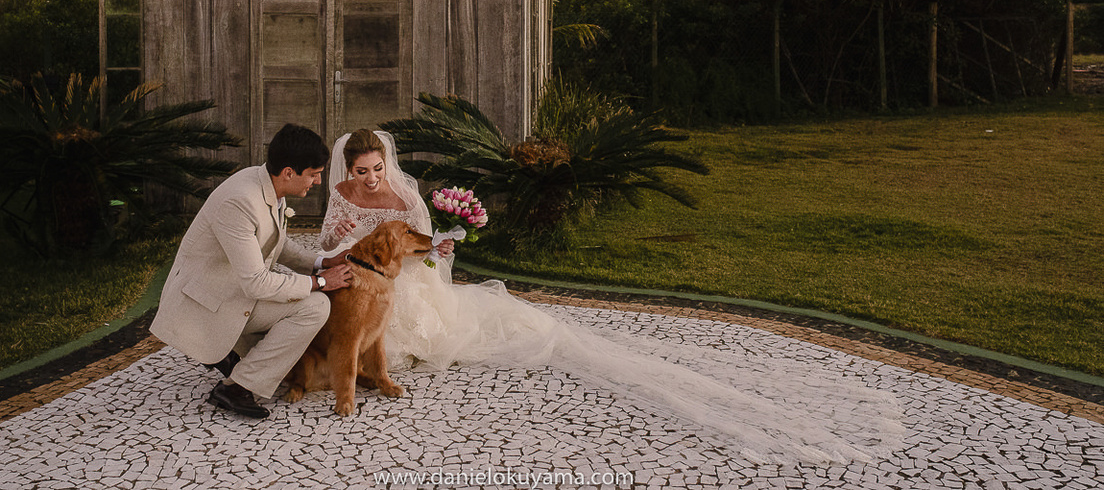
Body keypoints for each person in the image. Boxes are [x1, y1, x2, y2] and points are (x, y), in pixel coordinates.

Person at [317, 129, 904, 464]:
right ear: (349, 167)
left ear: (386, 163)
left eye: (377, 169)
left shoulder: (403, 193)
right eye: (362, 171)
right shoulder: (341, 198)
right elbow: (323, 247)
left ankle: (383, 365)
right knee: (356, 324)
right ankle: (362, 367)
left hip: (404, 276)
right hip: (359, 271)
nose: (371, 180)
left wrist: (441, 248)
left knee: (426, 327)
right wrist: (344, 253)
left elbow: (424, 240)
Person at [151, 124, 352, 420]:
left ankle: (232, 355)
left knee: (289, 334)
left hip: (234, 290)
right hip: (213, 302)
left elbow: (277, 245)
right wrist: (319, 282)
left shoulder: (265, 184)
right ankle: (237, 388)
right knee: (314, 306)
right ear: (288, 173)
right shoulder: (240, 200)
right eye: (313, 173)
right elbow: (257, 283)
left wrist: (323, 262)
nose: (319, 181)